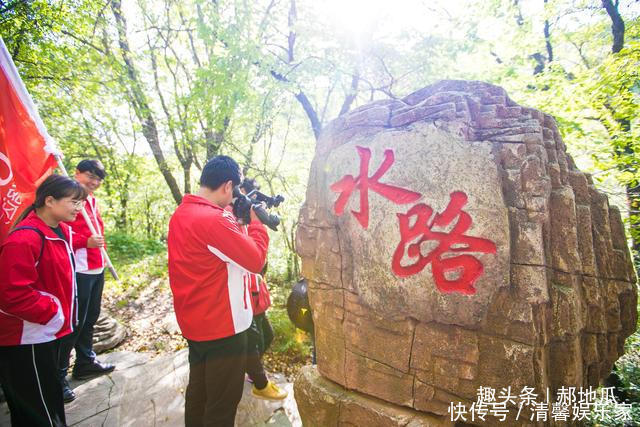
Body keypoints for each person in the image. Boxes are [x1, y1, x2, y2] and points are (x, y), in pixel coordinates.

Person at [168, 156, 269, 427]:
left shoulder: (182, 213)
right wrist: (257, 223)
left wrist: (236, 220)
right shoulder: (213, 220)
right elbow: (255, 260)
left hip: (195, 322)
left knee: (199, 393)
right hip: (223, 327)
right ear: (227, 186)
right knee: (222, 404)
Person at [0, 174, 87, 427]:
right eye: (74, 202)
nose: (78, 209)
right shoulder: (24, 238)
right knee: (39, 411)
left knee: (47, 402)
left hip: (45, 333)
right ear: (50, 200)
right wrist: (52, 312)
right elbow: (11, 294)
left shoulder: (58, 232)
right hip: (26, 338)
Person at [57, 160, 114, 403]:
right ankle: (57, 376)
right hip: (77, 268)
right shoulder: (68, 197)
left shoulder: (91, 200)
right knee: (74, 322)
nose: (94, 182)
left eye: (98, 179)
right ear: (77, 173)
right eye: (90, 176)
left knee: (90, 317)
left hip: (96, 266)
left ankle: (85, 361)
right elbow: (59, 229)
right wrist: (84, 242)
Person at [238, 178, 286, 401]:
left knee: (266, 336)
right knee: (254, 341)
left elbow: (261, 264)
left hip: (257, 292)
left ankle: (249, 369)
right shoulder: (233, 221)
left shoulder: (245, 220)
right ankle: (255, 376)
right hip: (246, 296)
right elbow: (253, 260)